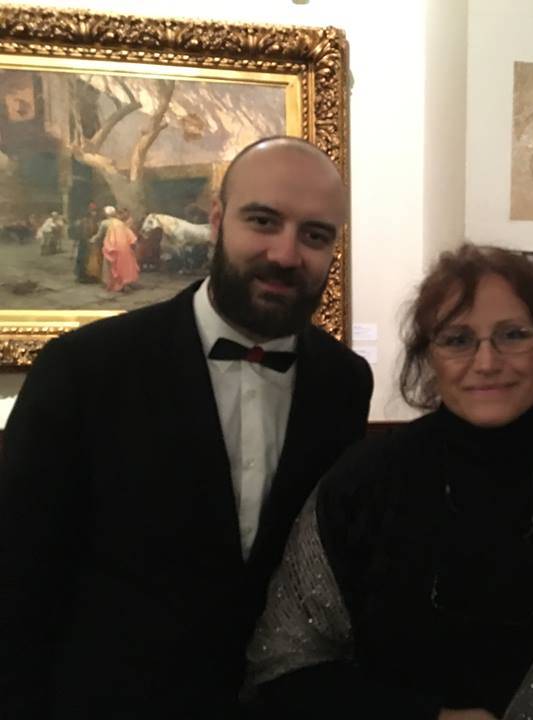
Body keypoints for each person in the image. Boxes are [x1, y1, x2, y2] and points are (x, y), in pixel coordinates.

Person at [0, 136, 374, 719]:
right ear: (218, 221)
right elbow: (17, 574)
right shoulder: (84, 367)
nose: (285, 253)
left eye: (315, 235)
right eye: (262, 221)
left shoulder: (345, 382)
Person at [246, 244, 533, 720]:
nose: (487, 362)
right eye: (458, 340)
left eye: (513, 335)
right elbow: (284, 665)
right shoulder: (362, 482)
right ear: (429, 356)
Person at [93, 204, 140, 291]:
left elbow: (99, 235)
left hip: (112, 246)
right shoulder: (120, 223)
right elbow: (130, 236)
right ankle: (125, 282)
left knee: (110, 266)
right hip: (124, 246)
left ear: (106, 214)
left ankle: (113, 283)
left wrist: (92, 240)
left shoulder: (104, 223)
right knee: (122, 265)